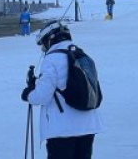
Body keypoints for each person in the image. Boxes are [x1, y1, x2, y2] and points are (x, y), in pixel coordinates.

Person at [22, 20, 102, 157]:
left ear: (50, 39)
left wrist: (28, 93)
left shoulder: (52, 58)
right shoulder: (81, 54)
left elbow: (43, 96)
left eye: (43, 44)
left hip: (62, 129)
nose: (43, 49)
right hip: (88, 126)